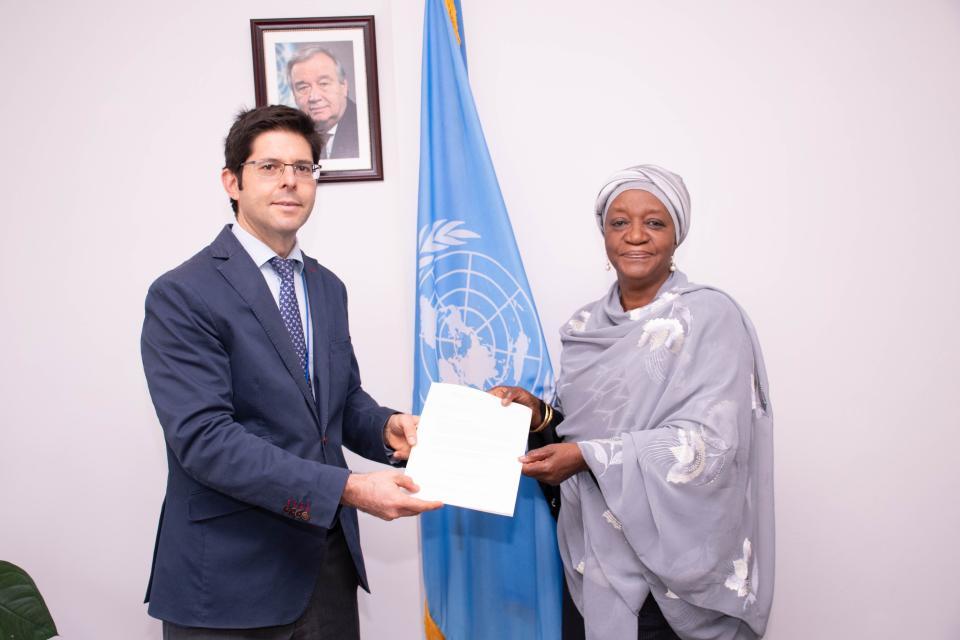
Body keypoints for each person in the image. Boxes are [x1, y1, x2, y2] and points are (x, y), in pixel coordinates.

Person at [140, 105, 441, 639]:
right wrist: (348, 488)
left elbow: (340, 405)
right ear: (232, 181)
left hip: (325, 569)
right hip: (229, 580)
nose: (289, 182)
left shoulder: (327, 287)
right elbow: (205, 440)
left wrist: (387, 428)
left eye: (303, 168)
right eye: (270, 167)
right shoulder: (182, 293)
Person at [493, 165, 774, 640]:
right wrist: (537, 414)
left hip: (677, 577)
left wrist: (587, 456)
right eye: (619, 223)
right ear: (604, 234)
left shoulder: (711, 316)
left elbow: (715, 448)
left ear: (677, 235)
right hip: (593, 562)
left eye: (655, 222)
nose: (636, 236)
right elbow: (580, 432)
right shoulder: (584, 328)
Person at [287, 45, 359, 159]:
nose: (314, 97)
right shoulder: (290, 137)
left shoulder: (366, 130)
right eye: (303, 87)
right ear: (294, 95)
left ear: (344, 86)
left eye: (324, 83)